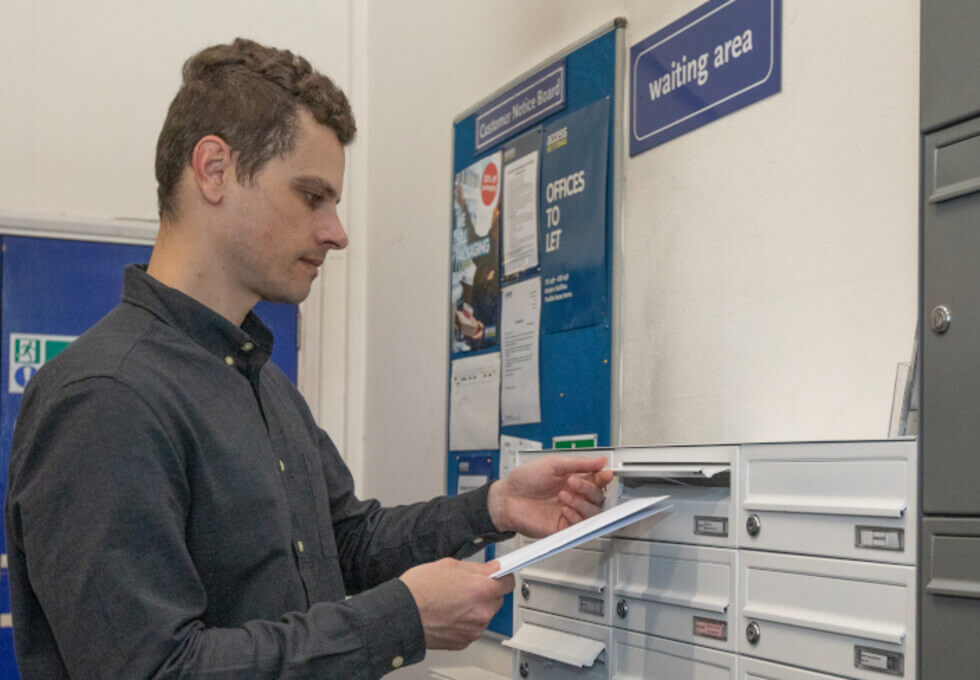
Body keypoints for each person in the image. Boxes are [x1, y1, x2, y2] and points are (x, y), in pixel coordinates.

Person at [3, 38, 613, 679]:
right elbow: (155, 670)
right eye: (312, 196)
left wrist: (492, 508)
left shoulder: (258, 379)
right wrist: (400, 620)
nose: (337, 232)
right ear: (213, 170)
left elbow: (343, 541)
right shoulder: (107, 397)